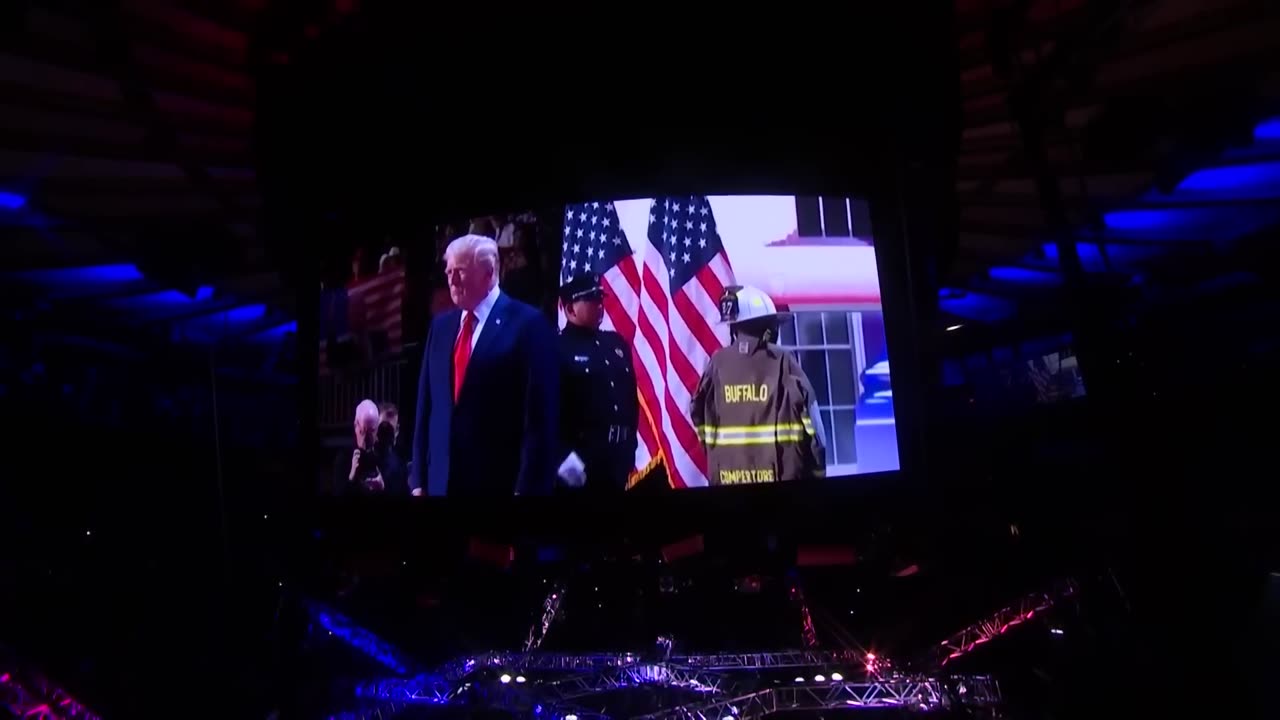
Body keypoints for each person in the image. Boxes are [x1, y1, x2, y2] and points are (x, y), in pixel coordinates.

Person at [410, 234, 559, 497]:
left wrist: (526, 490)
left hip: (497, 486)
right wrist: (418, 480)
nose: (452, 280)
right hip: (439, 486)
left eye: (460, 272)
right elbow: (426, 408)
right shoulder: (441, 327)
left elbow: (538, 419)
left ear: (489, 272)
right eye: (448, 271)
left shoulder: (528, 324)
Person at [690, 285, 828, 485]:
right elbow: (815, 428)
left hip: (726, 479)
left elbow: (697, 412)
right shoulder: (783, 361)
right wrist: (818, 472)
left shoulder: (717, 364)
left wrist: (717, 456)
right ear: (768, 329)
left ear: (734, 328)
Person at [556, 273, 638, 492]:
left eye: (600, 299)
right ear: (570, 308)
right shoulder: (557, 348)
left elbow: (630, 400)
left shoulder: (616, 344)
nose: (599, 305)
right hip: (580, 463)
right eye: (591, 299)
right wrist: (562, 459)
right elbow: (544, 412)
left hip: (617, 461)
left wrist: (630, 447)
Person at [335, 399, 388, 496]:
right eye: (363, 431)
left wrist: (382, 488)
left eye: (371, 431)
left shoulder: (384, 457)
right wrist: (351, 477)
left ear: (377, 428)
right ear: (356, 425)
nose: (366, 439)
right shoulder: (344, 458)